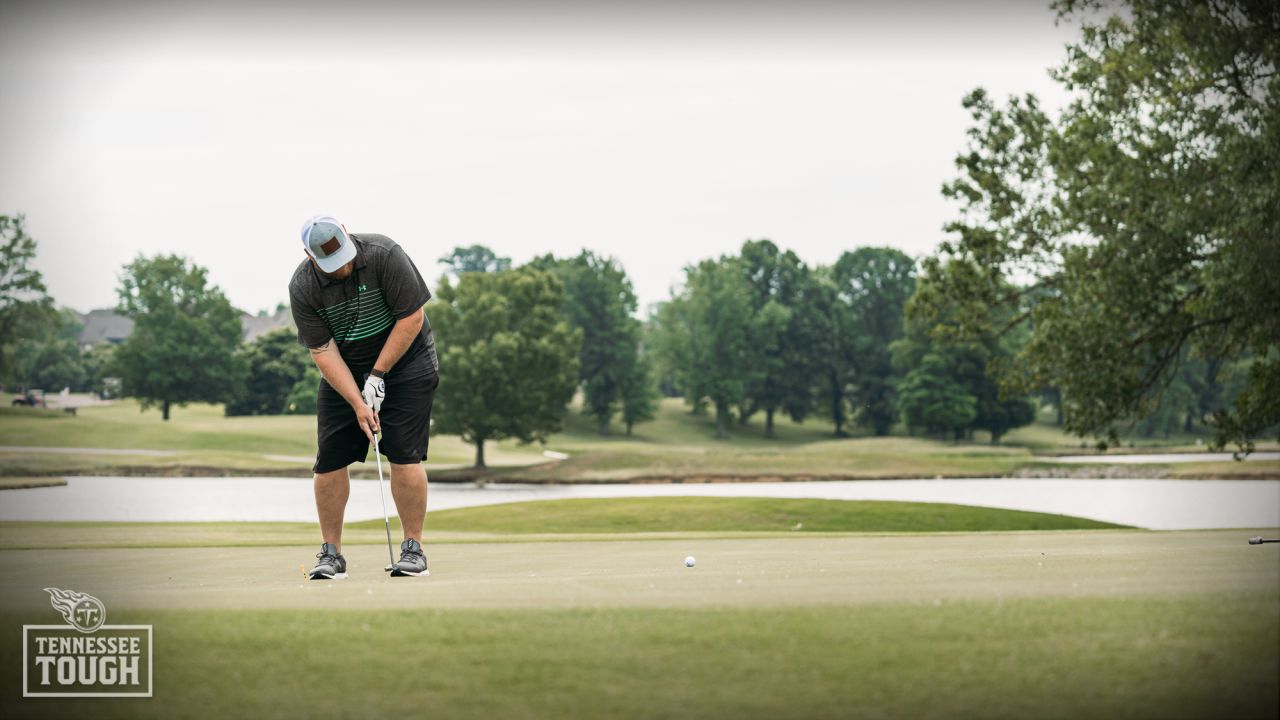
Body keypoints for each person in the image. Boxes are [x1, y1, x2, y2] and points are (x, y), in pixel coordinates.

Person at [288, 215, 439, 580]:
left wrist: (377, 375)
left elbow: (411, 319)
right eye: (330, 264)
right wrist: (358, 401)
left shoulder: (385, 254)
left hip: (407, 363)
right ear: (310, 257)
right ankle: (331, 553)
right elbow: (322, 350)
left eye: (344, 258)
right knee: (329, 460)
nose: (341, 268)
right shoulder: (303, 286)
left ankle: (413, 548)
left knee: (404, 452)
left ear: (348, 237)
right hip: (345, 371)